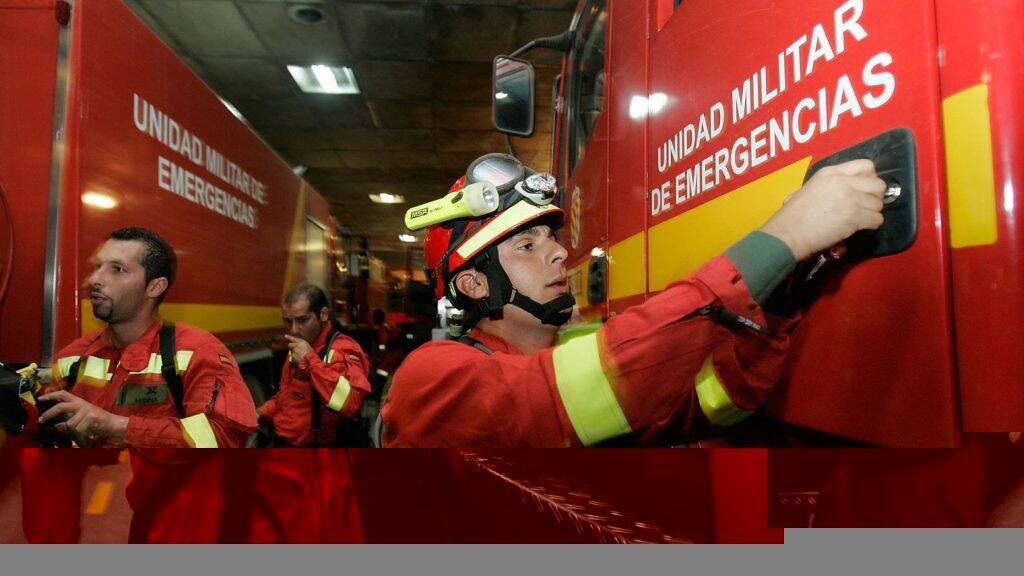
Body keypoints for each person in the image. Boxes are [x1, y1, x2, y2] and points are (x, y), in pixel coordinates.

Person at [381, 153, 887, 447]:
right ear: (473, 285)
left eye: (551, 238)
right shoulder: (431, 377)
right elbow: (558, 398)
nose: (558, 253)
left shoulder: (568, 356)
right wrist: (781, 238)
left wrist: (784, 284)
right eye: (526, 246)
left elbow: (708, 405)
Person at [21, 226, 257, 542]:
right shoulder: (74, 356)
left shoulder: (197, 352)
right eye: (97, 267)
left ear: (155, 286)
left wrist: (116, 425)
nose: (95, 280)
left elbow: (225, 437)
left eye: (117, 269)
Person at [254, 283, 372, 447]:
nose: (294, 329)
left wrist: (310, 361)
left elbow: (351, 404)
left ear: (323, 314)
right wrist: (260, 413)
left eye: (303, 320)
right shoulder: (300, 347)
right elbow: (286, 397)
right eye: (288, 321)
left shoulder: (342, 350)